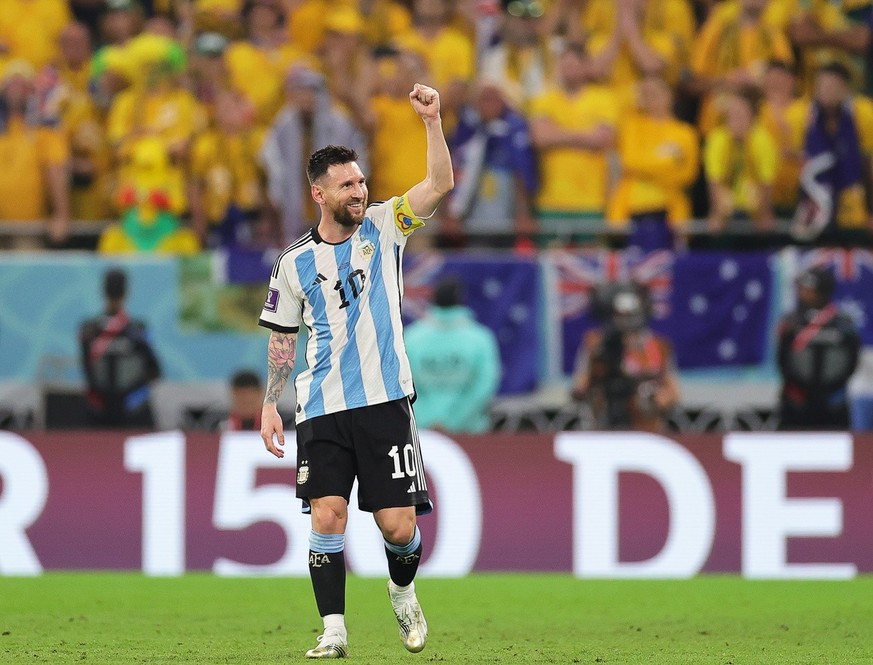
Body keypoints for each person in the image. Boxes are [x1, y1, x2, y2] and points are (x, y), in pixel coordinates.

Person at [258, 83, 453, 659]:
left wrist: (433, 122)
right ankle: (334, 632)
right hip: (321, 406)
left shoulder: (385, 224)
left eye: (362, 181)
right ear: (319, 194)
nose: (360, 190)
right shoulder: (293, 264)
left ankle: (402, 589)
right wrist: (272, 402)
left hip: (386, 401)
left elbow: (440, 184)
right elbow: (281, 340)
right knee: (328, 512)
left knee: (397, 527)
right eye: (348, 184)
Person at [570, 280, 679, 432]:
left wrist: (656, 400)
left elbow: (673, 391)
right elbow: (580, 386)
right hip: (605, 423)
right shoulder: (596, 344)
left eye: (630, 315)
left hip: (647, 426)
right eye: (620, 316)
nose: (625, 321)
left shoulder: (660, 346)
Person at [404, 275, 501, 434]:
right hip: (469, 432)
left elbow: (405, 385)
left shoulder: (411, 337)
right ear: (461, 300)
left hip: (422, 432)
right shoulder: (481, 338)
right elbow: (484, 385)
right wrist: (453, 421)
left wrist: (429, 420)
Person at [777, 265, 861, 431]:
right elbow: (783, 359)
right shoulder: (791, 323)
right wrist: (799, 390)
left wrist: (831, 389)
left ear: (822, 291)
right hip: (797, 401)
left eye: (808, 289)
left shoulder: (843, 324)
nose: (803, 293)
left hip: (832, 402)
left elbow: (851, 361)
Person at [79, 267, 162, 428]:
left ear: (102, 291)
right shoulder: (139, 330)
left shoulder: (88, 330)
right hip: (133, 410)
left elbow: (87, 371)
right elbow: (155, 371)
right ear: (128, 291)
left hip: (99, 410)